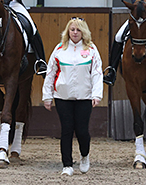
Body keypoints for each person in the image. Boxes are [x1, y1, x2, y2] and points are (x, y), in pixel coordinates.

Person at [42, 17, 103, 176]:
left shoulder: (91, 49)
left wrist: (97, 94)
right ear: (68, 31)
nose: (75, 33)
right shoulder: (59, 49)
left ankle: (84, 155)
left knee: (82, 131)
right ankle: (67, 165)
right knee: (66, 130)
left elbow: (97, 74)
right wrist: (47, 96)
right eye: (72, 29)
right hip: (63, 97)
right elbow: (50, 73)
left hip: (84, 98)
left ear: (84, 32)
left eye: (78, 30)